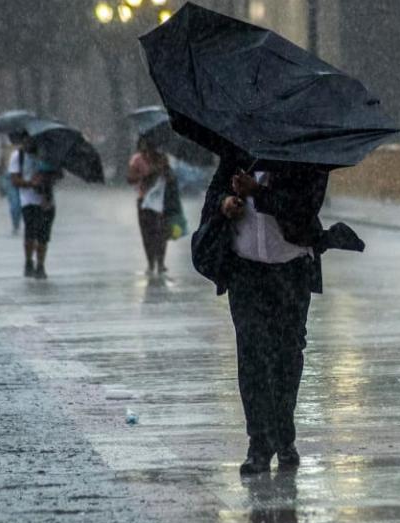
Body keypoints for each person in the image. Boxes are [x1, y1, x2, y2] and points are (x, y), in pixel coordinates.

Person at [193, 154, 364, 476]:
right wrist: (226, 202)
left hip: (292, 269)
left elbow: (304, 208)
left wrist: (258, 192)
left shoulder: (307, 155)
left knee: (287, 354)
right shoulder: (238, 148)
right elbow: (214, 193)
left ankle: (284, 436)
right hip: (244, 271)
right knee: (252, 356)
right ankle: (258, 444)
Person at [126, 136, 183, 277]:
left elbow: (171, 178)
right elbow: (130, 179)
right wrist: (147, 175)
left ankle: (161, 262)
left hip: (162, 202)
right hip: (144, 201)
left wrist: (164, 169)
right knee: (147, 234)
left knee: (162, 233)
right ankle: (151, 263)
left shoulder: (163, 159)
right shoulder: (137, 160)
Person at [8, 134, 61, 280]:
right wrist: (31, 183)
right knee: (30, 233)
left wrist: (47, 179)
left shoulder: (48, 154)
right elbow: (14, 180)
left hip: (47, 200)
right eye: (26, 140)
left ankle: (41, 265)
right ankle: (28, 261)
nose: (29, 143)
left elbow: (58, 175)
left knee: (43, 236)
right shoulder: (17, 156)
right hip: (28, 201)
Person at [0, 133, 23, 235]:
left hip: (23, 178)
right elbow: (1, 164)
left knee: (21, 203)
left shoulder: (27, 148)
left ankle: (18, 223)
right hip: (10, 178)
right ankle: (15, 224)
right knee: (14, 204)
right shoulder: (6, 150)